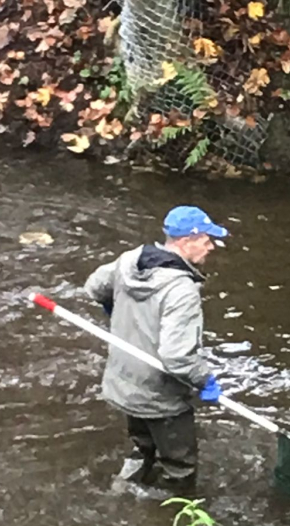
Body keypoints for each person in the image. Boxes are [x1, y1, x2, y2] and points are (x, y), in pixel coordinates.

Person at [83, 205, 227, 488]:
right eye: (207, 240)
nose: (211, 247)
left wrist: (117, 308)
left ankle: (124, 491)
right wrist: (204, 379)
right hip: (161, 397)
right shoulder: (181, 290)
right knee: (180, 467)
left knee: (142, 448)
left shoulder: (130, 261)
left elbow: (94, 287)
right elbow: (177, 357)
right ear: (187, 241)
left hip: (126, 382)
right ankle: (168, 518)